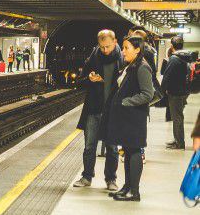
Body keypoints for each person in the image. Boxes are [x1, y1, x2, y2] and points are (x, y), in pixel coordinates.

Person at [106, 35, 155, 202]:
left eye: (126, 48)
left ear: (137, 49)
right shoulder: (132, 65)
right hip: (128, 118)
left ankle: (134, 192)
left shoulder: (142, 67)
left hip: (134, 118)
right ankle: (127, 186)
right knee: (128, 151)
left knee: (134, 151)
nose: (123, 51)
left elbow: (148, 94)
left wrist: (126, 102)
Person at [72, 30, 122, 190]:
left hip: (113, 109)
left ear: (115, 42)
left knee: (112, 148)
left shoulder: (122, 59)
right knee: (89, 146)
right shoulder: (93, 58)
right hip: (94, 108)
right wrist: (89, 78)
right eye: (102, 47)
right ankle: (87, 177)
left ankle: (111, 179)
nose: (105, 50)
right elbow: (80, 81)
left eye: (107, 46)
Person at [159, 34, 197, 150]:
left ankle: (179, 143)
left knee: (177, 118)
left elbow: (167, 76)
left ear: (172, 45)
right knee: (178, 116)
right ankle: (178, 139)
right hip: (184, 91)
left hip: (175, 92)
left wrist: (160, 91)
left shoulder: (174, 58)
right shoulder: (186, 56)